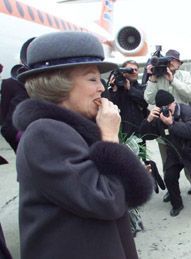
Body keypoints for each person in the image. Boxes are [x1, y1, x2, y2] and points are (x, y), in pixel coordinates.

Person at [13, 31, 153, 259]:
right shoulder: (45, 134)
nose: (101, 87)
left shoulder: (73, 129)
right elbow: (107, 200)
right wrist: (109, 137)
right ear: (58, 84)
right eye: (92, 79)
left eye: (100, 79)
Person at [140, 90, 191, 217]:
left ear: (174, 102)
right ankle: (177, 205)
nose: (167, 109)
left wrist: (171, 123)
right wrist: (148, 120)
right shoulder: (159, 117)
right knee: (169, 177)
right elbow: (146, 136)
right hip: (174, 152)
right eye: (162, 107)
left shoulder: (187, 111)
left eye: (168, 106)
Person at [144, 49, 191, 200]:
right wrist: (153, 78)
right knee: (167, 163)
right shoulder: (157, 77)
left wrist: (172, 79)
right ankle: (171, 190)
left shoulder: (185, 76)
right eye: (168, 60)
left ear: (178, 63)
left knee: (190, 161)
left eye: (173, 60)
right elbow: (148, 98)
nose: (170, 63)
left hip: (183, 125)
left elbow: (189, 93)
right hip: (164, 128)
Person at [107, 60, 149, 139]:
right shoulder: (115, 89)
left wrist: (129, 89)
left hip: (139, 133)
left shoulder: (141, 88)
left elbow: (145, 102)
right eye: (130, 69)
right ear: (123, 72)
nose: (134, 72)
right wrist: (114, 89)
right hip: (121, 133)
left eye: (136, 70)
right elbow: (111, 107)